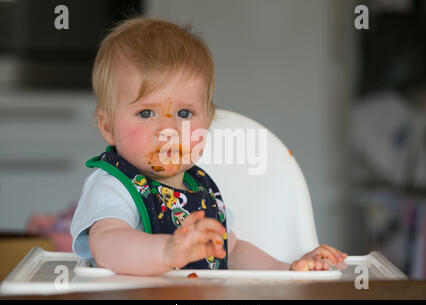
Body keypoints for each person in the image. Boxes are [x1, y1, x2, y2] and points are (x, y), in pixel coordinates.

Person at [70, 17, 347, 276]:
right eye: (146, 113)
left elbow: (232, 251)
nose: (169, 131)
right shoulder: (114, 186)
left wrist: (286, 271)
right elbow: (107, 244)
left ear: (207, 123)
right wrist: (167, 251)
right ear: (108, 128)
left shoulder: (201, 188)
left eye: (184, 114)